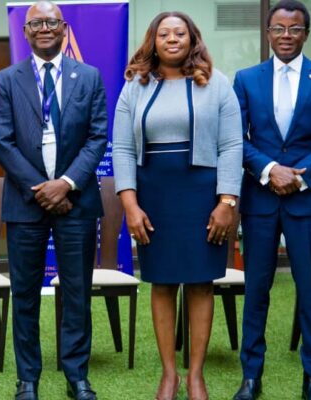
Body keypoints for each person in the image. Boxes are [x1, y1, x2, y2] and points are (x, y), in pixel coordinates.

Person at [112, 11, 242, 400]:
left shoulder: (217, 84)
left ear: (192, 39)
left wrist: (226, 201)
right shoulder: (134, 86)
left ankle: (196, 375)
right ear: (153, 41)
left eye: (180, 33)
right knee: (163, 282)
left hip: (203, 195)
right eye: (164, 33)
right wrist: (130, 205)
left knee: (201, 282)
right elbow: (122, 148)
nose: (172, 39)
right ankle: (169, 375)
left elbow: (231, 145)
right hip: (154, 196)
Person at [231, 1, 311, 399]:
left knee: (310, 289)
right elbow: (235, 138)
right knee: (256, 290)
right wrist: (269, 169)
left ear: (306, 33)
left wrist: (301, 175)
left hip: (306, 200)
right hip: (260, 200)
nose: (286, 36)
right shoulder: (246, 79)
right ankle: (251, 377)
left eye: (295, 29)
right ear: (268, 33)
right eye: (279, 29)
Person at [0, 1, 108, 399]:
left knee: (77, 291)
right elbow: (3, 143)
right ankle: (28, 378)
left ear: (64, 29)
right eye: (36, 22)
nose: (44, 28)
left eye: (51, 22)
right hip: (25, 203)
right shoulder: (6, 80)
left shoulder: (88, 76)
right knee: (24, 293)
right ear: (25, 32)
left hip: (77, 202)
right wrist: (43, 188)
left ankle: (77, 375)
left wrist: (67, 184)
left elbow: (97, 137)